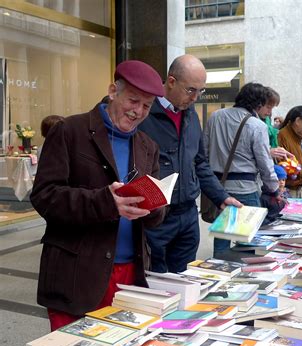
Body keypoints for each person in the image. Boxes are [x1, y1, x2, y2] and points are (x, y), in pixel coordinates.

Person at [30, 60, 166, 331]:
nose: (138, 111)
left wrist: (154, 207)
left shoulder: (148, 146)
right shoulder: (69, 131)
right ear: (113, 91)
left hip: (129, 274)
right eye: (133, 100)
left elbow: (156, 215)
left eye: (147, 106)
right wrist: (105, 202)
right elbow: (44, 195)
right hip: (77, 273)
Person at [138, 55, 241, 273]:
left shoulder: (191, 115)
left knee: (185, 280)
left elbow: (199, 162)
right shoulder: (144, 113)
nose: (195, 97)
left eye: (200, 91)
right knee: (154, 283)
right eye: (190, 90)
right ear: (171, 81)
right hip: (156, 216)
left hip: (187, 215)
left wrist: (221, 196)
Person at [203, 82, 280, 255]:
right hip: (246, 189)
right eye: (267, 107)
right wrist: (274, 188)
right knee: (248, 242)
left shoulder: (215, 116)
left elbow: (204, 152)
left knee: (221, 239)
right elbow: (265, 164)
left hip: (218, 188)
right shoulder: (256, 125)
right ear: (258, 104)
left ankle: (219, 271)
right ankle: (244, 278)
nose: (268, 112)